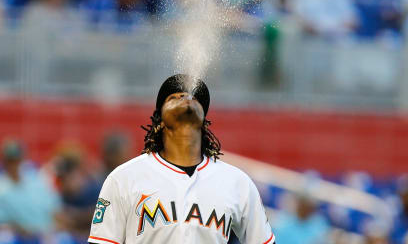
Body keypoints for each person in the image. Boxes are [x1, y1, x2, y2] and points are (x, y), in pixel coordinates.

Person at [88, 74, 275, 244]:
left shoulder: (237, 182)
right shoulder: (123, 178)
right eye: (174, 98)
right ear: (159, 119)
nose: (185, 98)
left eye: (193, 98)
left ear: (203, 120)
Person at [0, 139, 62, 237]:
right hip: (21, 238)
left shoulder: (37, 180)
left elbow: (55, 210)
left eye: (17, 159)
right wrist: (23, 232)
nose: (14, 164)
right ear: (3, 161)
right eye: (10, 160)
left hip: (50, 234)